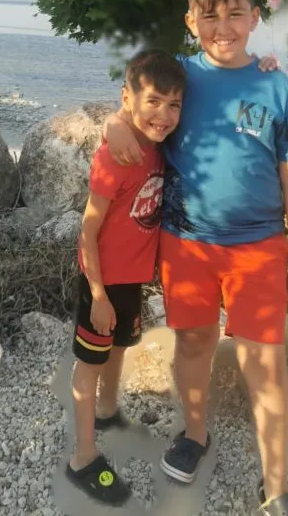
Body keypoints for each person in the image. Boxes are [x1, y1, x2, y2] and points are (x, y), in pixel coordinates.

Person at [106, 0, 288, 516]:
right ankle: (194, 432)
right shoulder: (181, 80)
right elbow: (136, 108)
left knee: (265, 363)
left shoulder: (275, 85)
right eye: (210, 14)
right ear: (190, 19)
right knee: (193, 343)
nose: (223, 26)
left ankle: (277, 488)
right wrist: (115, 125)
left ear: (254, 17)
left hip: (261, 249)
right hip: (187, 246)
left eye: (235, 13)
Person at [66, 49, 186, 506]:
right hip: (102, 283)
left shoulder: (156, 147)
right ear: (128, 98)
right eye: (153, 101)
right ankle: (82, 456)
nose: (164, 113)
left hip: (130, 281)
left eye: (174, 104)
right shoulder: (116, 156)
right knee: (90, 363)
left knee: (117, 349)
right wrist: (96, 293)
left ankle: (107, 411)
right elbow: (88, 229)